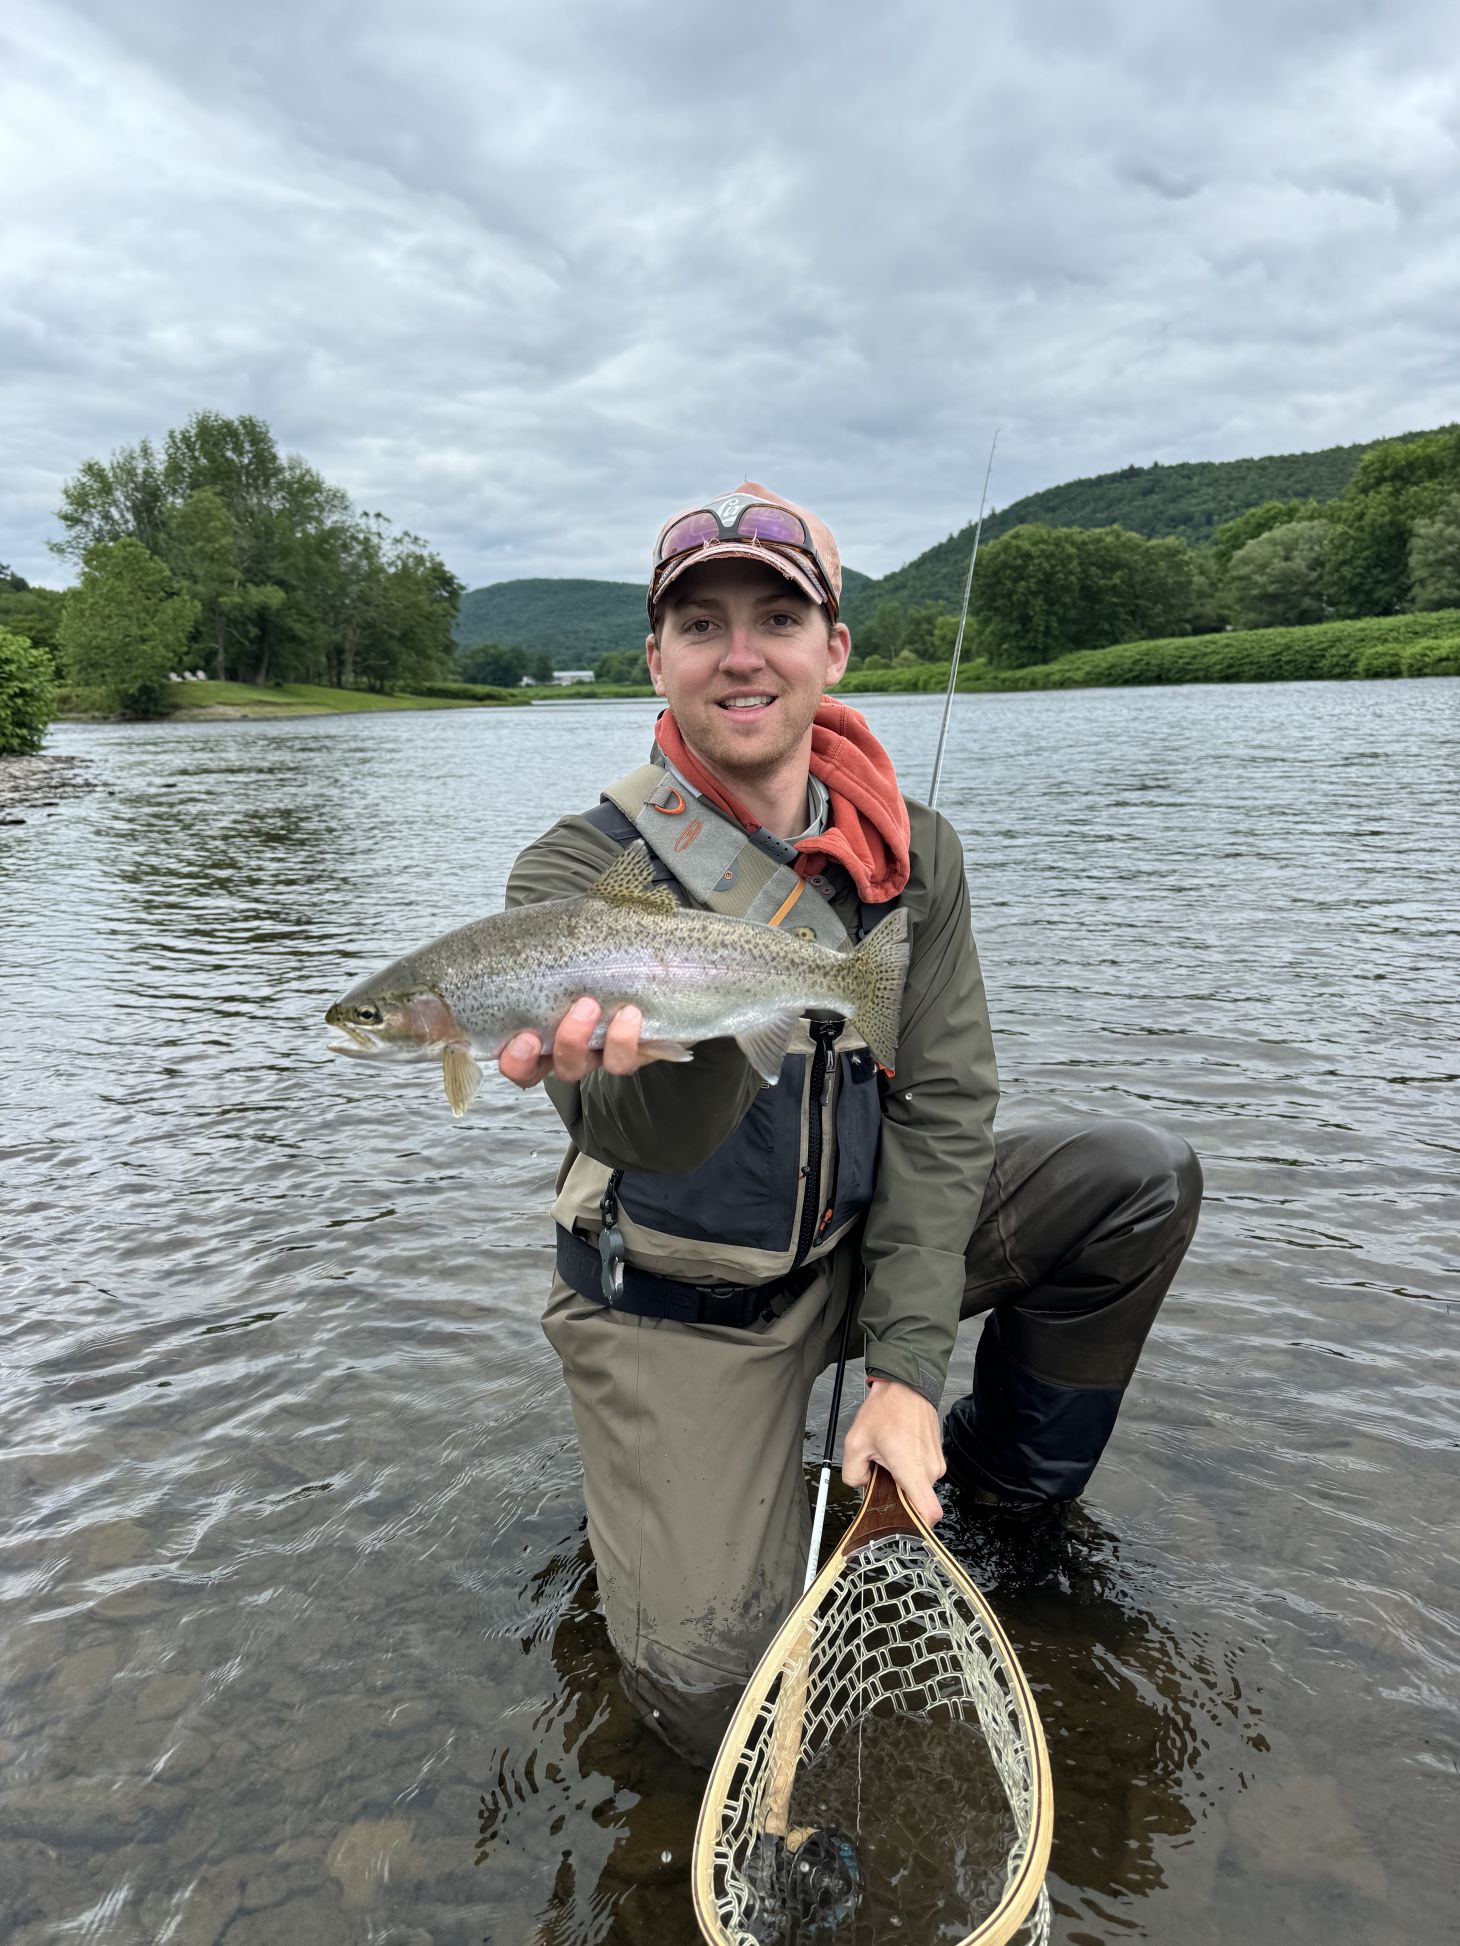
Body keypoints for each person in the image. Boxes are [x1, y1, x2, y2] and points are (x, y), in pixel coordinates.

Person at [501, 483, 1202, 1763]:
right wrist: (680, 1040)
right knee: (718, 1704)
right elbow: (641, 1139)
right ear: (655, 660)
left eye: (778, 614)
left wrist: (903, 1374)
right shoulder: (570, 882)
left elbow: (943, 1117)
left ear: (833, 648)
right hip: (677, 1298)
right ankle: (713, 1502)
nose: (741, 651)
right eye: (700, 623)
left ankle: (990, 1508)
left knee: (1132, 1179)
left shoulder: (911, 851)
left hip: (854, 1243)